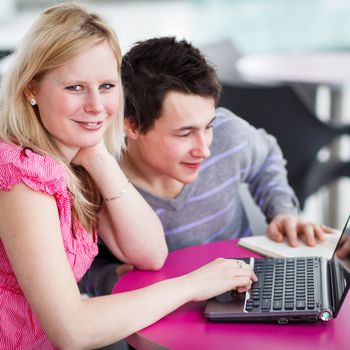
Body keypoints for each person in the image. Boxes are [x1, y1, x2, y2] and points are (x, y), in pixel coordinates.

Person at [0, 5, 257, 349]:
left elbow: (150, 253)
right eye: (75, 87)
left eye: (106, 85)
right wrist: (194, 285)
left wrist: (98, 154)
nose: (95, 105)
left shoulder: (74, 159)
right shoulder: (22, 179)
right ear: (32, 89)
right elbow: (72, 330)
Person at [83, 36, 334, 296]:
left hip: (248, 295)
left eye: (208, 126)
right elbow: (80, 271)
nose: (204, 150)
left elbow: (266, 157)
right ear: (132, 125)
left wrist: (281, 211)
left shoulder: (228, 135)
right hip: (161, 322)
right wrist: (111, 279)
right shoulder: (98, 181)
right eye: (184, 133)